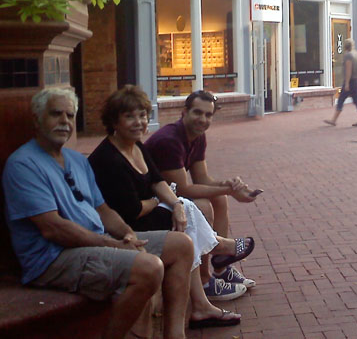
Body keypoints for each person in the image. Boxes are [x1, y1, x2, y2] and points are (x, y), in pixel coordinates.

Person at [2, 88, 193, 339]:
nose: (64, 122)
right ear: (37, 120)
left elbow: (103, 210)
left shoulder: (77, 160)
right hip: (53, 258)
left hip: (94, 244)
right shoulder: (23, 165)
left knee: (182, 245)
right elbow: (54, 228)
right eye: (56, 114)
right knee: (149, 267)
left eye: (70, 116)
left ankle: (175, 335)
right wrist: (112, 245)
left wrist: (127, 235)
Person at [89, 86, 256, 328]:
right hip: (126, 224)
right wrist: (168, 201)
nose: (138, 122)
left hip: (146, 211)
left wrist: (179, 202)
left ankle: (207, 285)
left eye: (142, 116)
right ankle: (216, 257)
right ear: (114, 120)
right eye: (130, 116)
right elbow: (134, 209)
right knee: (190, 218)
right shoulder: (112, 157)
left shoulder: (137, 146)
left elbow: (160, 181)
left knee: (194, 206)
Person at [144, 89, 259, 290]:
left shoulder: (197, 136)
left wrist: (230, 185)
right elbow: (185, 189)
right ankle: (206, 281)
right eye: (198, 113)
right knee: (204, 206)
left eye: (208, 115)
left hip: (170, 193)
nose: (203, 119)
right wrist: (228, 191)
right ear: (184, 112)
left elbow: (202, 178)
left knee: (219, 199)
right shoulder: (168, 141)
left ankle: (221, 263)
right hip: (150, 200)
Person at [324, 38, 357, 127]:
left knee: (341, 99)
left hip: (350, 81)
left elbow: (348, 70)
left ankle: (334, 120)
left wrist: (346, 83)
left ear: (345, 46)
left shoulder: (348, 56)